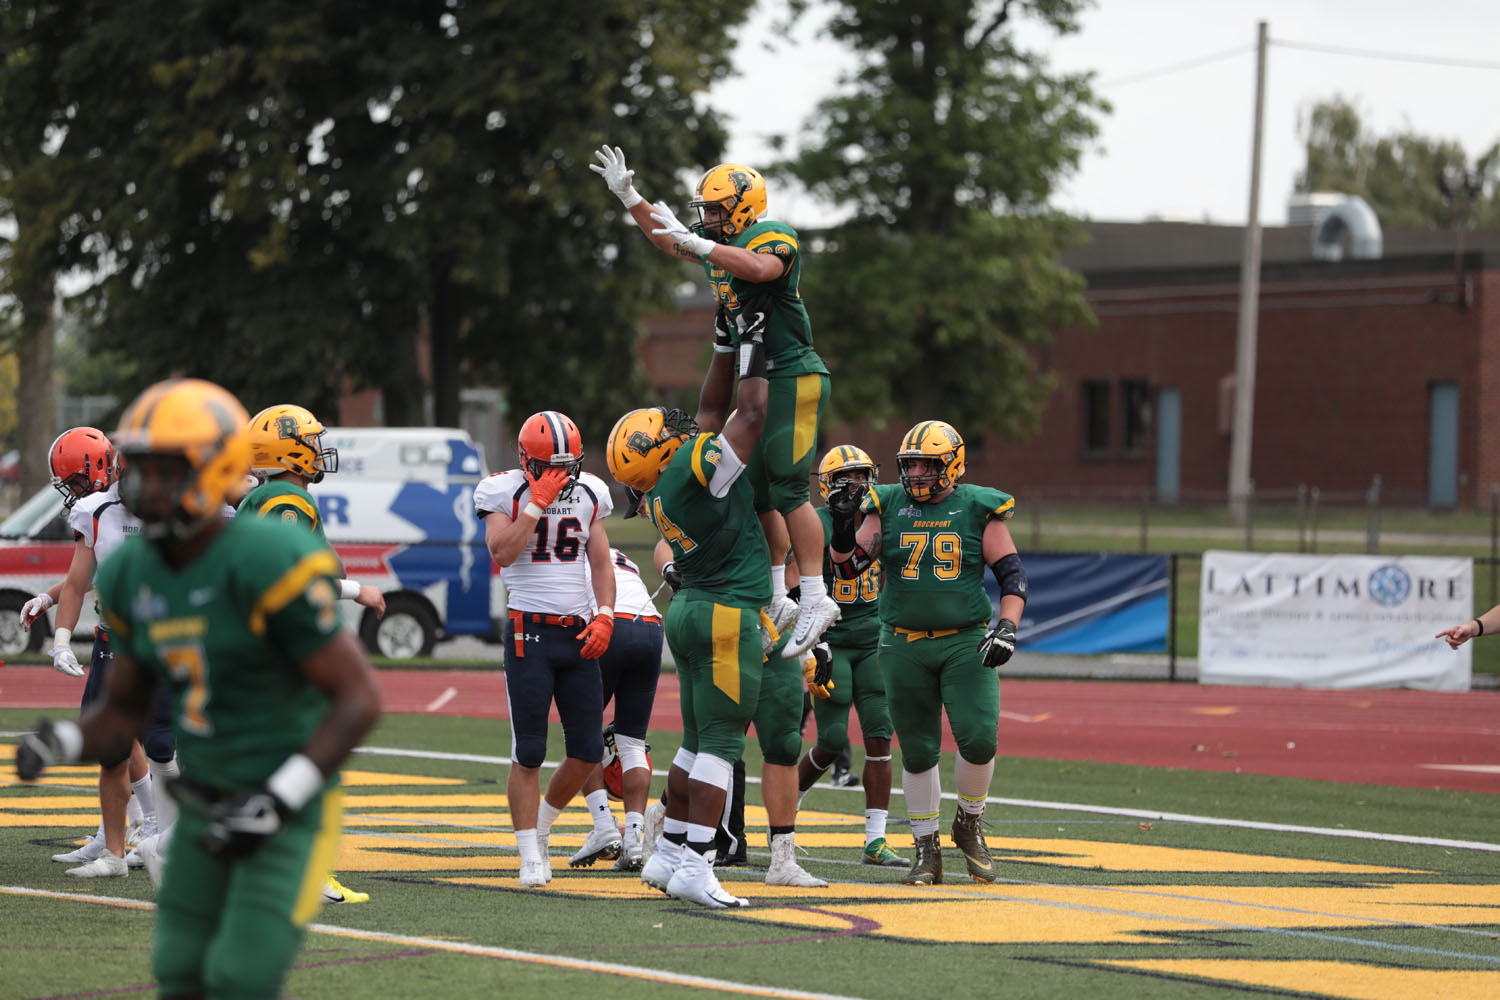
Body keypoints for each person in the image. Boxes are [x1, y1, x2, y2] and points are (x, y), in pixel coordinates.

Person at [14, 377, 383, 1000]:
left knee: (239, 973)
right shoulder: (133, 569)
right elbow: (123, 712)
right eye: (141, 466)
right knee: (181, 970)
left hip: (280, 794)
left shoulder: (265, 553)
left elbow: (358, 699)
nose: (141, 483)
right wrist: (63, 740)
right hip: (202, 795)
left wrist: (279, 797)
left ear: (214, 471)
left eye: (163, 469)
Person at [591, 144, 839, 659]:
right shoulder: (717, 257)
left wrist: (697, 246)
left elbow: (761, 269)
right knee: (757, 490)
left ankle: (816, 595)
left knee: (790, 486)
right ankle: (777, 594)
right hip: (761, 373)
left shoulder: (768, 236)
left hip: (793, 371)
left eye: (717, 209)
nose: (707, 221)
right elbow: (669, 240)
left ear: (746, 206)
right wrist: (630, 197)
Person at [604, 340, 825, 910]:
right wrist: (755, 349)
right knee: (721, 747)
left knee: (694, 745)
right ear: (660, 453)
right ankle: (698, 864)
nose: (677, 427)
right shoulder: (691, 471)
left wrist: (725, 346)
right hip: (728, 615)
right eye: (663, 429)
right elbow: (748, 413)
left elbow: (707, 413)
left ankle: (672, 849)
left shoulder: (661, 491)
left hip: (691, 612)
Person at [829, 420, 1026, 885]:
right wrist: (841, 525)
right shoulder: (889, 503)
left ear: (952, 465)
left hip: (964, 639)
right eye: (910, 464)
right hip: (903, 643)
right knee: (918, 752)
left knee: (979, 738)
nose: (915, 473)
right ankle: (926, 849)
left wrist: (1007, 628)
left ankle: (969, 822)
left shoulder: (978, 507)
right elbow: (850, 566)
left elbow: (1013, 578)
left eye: (925, 464)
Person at [244, 403, 386, 905]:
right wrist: (356, 589)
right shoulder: (286, 497)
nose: (319, 451)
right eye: (309, 441)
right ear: (289, 450)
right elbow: (285, 571)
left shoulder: (266, 495)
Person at [473, 409, 617, 888]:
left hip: (577, 628)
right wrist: (535, 504)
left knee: (587, 747)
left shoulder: (591, 491)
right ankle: (528, 855)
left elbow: (600, 561)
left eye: (567, 466)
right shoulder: (503, 490)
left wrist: (606, 614)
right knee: (530, 749)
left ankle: (542, 827)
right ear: (524, 460)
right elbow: (501, 553)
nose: (559, 476)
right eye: (548, 466)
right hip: (528, 630)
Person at [21, 427, 173, 878]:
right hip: (114, 640)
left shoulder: (169, 508)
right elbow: (91, 573)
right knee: (117, 740)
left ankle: (154, 830)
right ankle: (123, 835)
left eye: (74, 481)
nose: (73, 493)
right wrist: (54, 609)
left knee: (158, 743)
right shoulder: (97, 510)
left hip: (164, 641)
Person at [795, 445, 908, 868]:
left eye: (863, 476)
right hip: (833, 639)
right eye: (848, 478)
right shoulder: (816, 522)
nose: (858, 485)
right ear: (828, 486)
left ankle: (875, 841)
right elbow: (794, 584)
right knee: (828, 741)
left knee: (880, 739)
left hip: (876, 639)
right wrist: (810, 640)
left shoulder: (881, 519)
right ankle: (787, 815)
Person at [566, 536, 664, 873]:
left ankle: (605, 828)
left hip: (609, 624)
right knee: (633, 741)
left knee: (584, 732)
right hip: (650, 625)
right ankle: (635, 839)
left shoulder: (568, 549)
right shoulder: (621, 555)